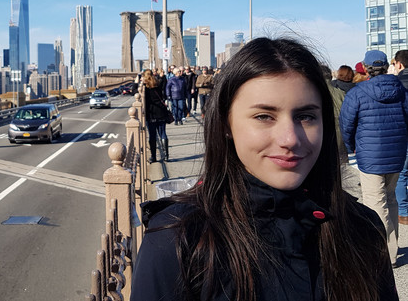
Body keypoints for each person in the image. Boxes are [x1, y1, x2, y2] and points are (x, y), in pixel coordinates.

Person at [132, 38, 397, 301]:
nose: (290, 139)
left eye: (306, 116)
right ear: (226, 124)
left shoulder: (362, 228)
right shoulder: (179, 241)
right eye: (264, 117)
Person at [340, 49, 408, 267]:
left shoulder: (358, 93)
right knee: (390, 199)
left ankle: (383, 254)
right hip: (396, 153)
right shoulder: (401, 90)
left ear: (367, 68)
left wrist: (352, 147)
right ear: (387, 65)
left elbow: (347, 124)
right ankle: (392, 249)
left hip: (369, 155)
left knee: (375, 202)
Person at [392, 49, 408, 225]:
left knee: (402, 174)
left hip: (402, 135)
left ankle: (404, 212)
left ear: (399, 64)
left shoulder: (396, 84)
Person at [142, 69, 170, 162]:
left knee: (152, 136)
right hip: (161, 112)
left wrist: (137, 82)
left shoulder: (144, 88)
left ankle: (153, 156)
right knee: (163, 133)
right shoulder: (157, 83)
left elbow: (134, 90)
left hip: (151, 114)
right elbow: (164, 84)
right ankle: (166, 155)